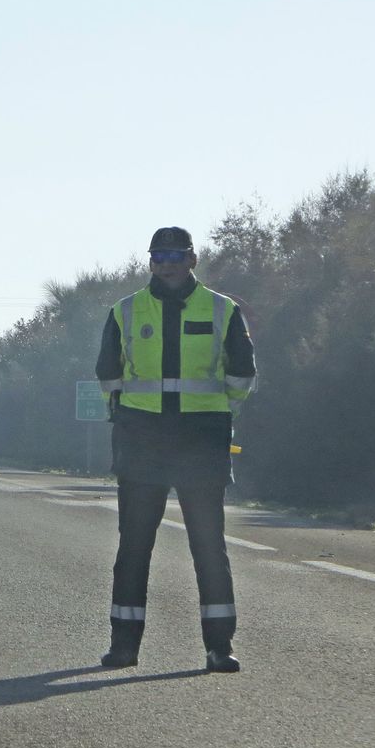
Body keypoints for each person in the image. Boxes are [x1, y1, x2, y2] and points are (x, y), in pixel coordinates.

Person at [96, 226, 256, 673]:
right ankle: (124, 647)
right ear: (150, 261)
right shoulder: (124, 310)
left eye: (175, 254)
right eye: (158, 255)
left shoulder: (223, 310)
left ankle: (219, 648)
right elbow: (108, 372)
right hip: (142, 441)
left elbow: (242, 374)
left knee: (209, 546)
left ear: (192, 259)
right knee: (134, 547)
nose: (166, 262)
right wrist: (127, 415)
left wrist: (215, 414)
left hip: (200, 441)